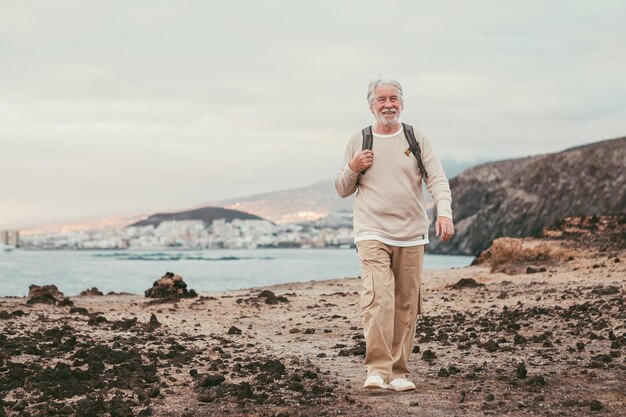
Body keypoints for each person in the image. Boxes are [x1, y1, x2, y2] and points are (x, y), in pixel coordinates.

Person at [335, 75, 454, 391]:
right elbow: (342, 189)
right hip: (371, 231)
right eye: (381, 100)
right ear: (371, 105)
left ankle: (399, 372)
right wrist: (354, 167)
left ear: (401, 103)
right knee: (378, 298)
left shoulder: (416, 138)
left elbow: (437, 181)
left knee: (406, 304)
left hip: (412, 234)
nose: (388, 105)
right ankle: (377, 369)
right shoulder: (359, 140)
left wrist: (444, 213)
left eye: (393, 99)